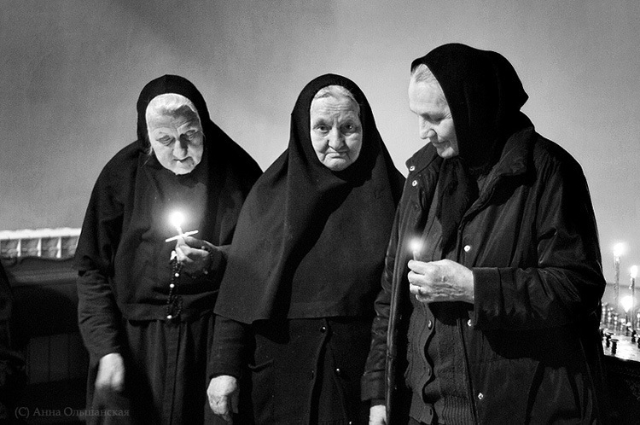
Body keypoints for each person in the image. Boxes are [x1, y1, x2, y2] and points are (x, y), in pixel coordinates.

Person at [363, 43, 609, 424]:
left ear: (471, 108)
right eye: (417, 116)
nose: (422, 132)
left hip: (509, 412)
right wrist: (379, 393)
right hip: (422, 414)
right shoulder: (422, 177)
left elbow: (578, 285)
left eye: (434, 117)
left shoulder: (548, 172)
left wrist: (474, 287)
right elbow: (391, 295)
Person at [207, 74, 404, 424]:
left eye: (348, 127)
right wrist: (224, 366)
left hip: (360, 380)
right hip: (278, 379)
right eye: (322, 128)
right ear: (302, 129)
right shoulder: (269, 198)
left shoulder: (397, 198)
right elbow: (239, 290)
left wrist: (382, 390)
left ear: (366, 128)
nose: (336, 141)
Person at [75, 74, 261, 425]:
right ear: (147, 139)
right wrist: (105, 350)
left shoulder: (238, 173)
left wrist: (216, 260)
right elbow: (91, 269)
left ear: (204, 127)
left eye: (190, 135)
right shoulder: (120, 176)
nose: (180, 151)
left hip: (210, 343)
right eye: (165, 140)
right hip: (134, 346)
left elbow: (257, 266)